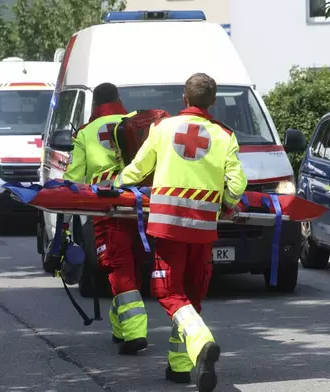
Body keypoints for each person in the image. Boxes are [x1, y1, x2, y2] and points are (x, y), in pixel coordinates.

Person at [113, 73, 248, 392]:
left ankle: (202, 341)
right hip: (203, 229)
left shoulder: (163, 128)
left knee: (169, 292)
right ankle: (180, 367)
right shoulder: (224, 135)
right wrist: (228, 202)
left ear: (184, 100)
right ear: (213, 102)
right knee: (191, 294)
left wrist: (117, 186)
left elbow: (139, 168)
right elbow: (237, 185)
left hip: (169, 226)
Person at [63, 82, 149, 355]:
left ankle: (135, 333)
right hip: (139, 205)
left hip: (107, 209)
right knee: (131, 265)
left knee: (118, 266)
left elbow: (74, 180)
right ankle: (120, 327)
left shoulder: (86, 133)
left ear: (94, 105)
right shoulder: (134, 121)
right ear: (118, 99)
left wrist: (64, 219)